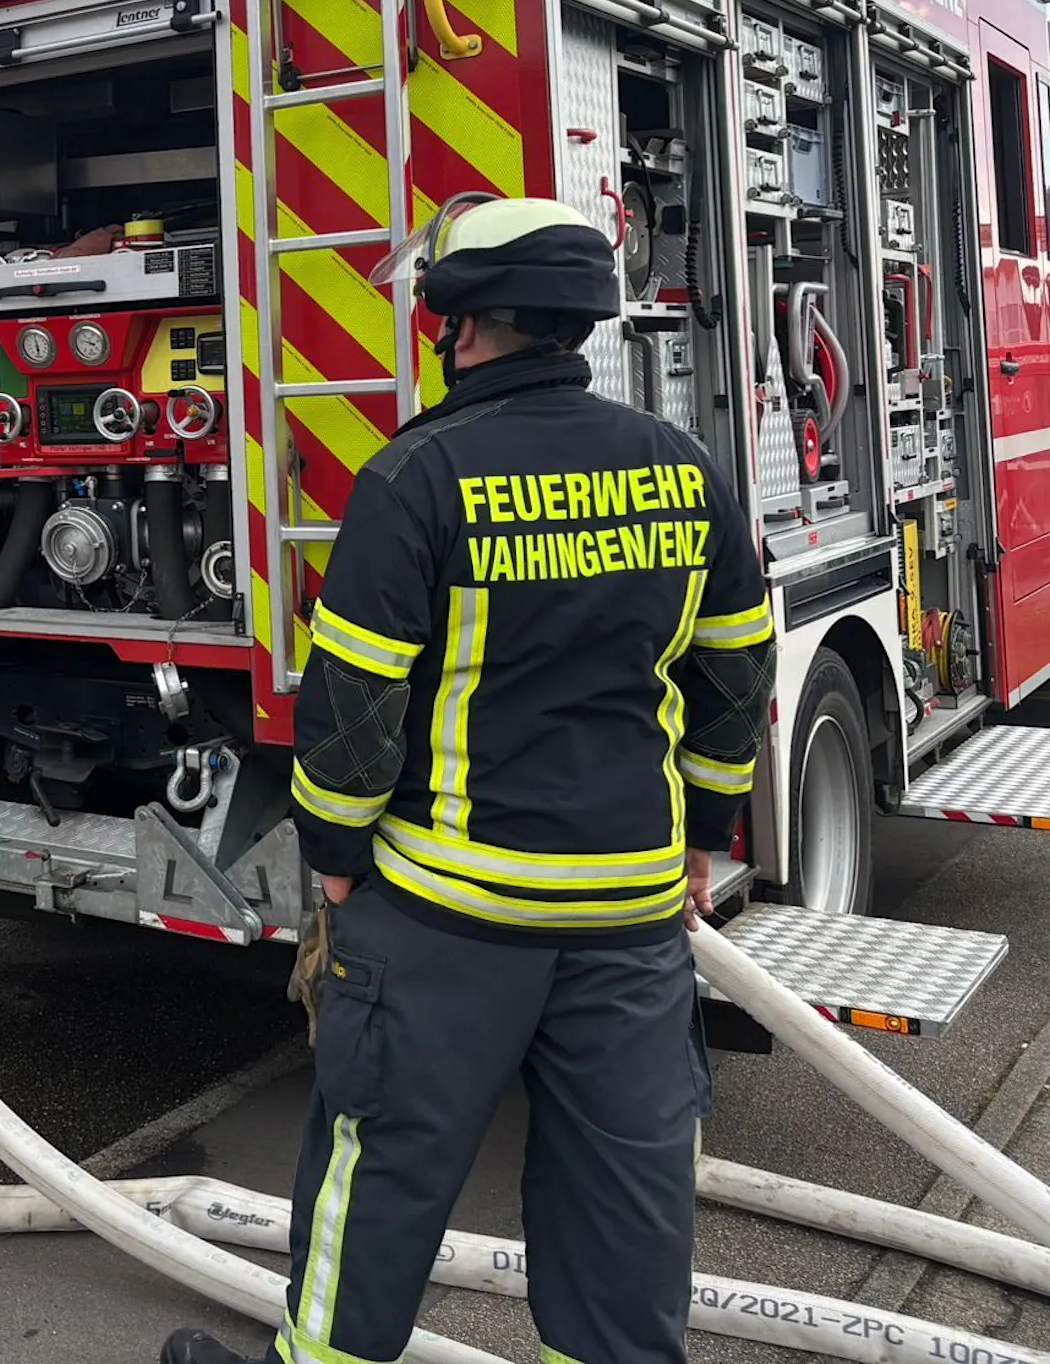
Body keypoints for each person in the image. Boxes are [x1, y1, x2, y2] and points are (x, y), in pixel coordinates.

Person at [164, 197, 775, 1364]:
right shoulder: (683, 468)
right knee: (625, 1203)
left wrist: (335, 861)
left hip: (449, 916)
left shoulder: (414, 477)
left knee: (377, 1169)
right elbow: (732, 668)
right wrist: (702, 827)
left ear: (459, 324)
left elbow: (351, 707)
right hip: (627, 918)